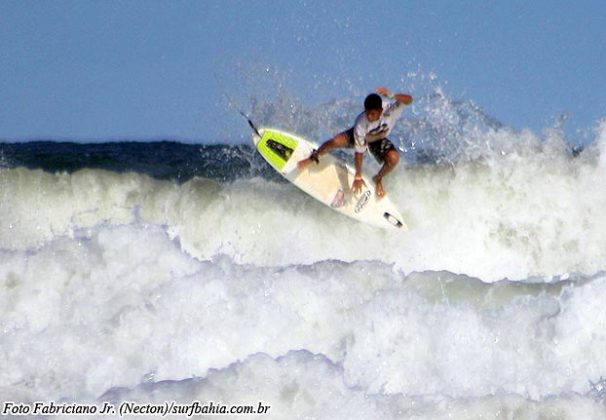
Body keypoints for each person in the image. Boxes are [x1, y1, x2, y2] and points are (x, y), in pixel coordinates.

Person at [298, 86, 413, 198]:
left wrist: (392, 95)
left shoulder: (390, 110)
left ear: (380, 111)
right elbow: (359, 152)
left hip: (378, 140)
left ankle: (378, 178)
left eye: (372, 114)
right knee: (335, 141)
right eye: (367, 112)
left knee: (394, 158)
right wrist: (358, 176)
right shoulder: (361, 123)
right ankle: (314, 156)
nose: (369, 116)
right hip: (361, 136)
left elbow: (409, 100)